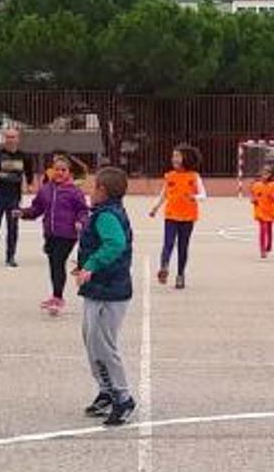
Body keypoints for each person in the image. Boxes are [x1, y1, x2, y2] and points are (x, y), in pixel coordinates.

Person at [75, 166, 137, 426]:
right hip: (99, 288)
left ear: (102, 191)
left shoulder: (107, 216)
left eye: (93, 187)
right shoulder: (102, 213)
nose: (89, 191)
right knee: (91, 340)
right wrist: (84, 265)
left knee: (103, 345)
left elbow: (115, 244)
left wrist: (91, 266)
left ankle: (122, 397)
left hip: (110, 292)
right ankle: (106, 390)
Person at [14, 155, 91, 316]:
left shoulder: (74, 191)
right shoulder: (45, 190)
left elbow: (83, 210)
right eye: (57, 169)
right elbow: (36, 209)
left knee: (57, 262)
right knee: (53, 262)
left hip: (67, 234)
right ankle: (56, 295)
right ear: (51, 171)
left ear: (69, 172)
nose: (60, 173)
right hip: (50, 233)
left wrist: (80, 221)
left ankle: (58, 297)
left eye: (63, 170)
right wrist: (22, 213)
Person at [149, 144, 206, 290]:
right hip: (171, 215)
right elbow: (163, 195)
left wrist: (194, 197)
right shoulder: (170, 176)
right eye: (173, 156)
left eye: (177, 156)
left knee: (183, 247)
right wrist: (155, 208)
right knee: (168, 243)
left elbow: (203, 195)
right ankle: (164, 267)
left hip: (188, 217)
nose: (174, 158)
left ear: (186, 158)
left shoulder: (194, 176)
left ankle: (180, 275)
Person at [0, 128, 34, 267]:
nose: (11, 140)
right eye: (8, 137)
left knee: (13, 226)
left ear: (18, 139)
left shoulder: (24, 156)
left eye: (13, 137)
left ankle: (10, 256)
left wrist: (30, 184)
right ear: (5, 139)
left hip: (14, 196)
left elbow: (29, 171)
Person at [250, 165, 274, 260]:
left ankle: (269, 244)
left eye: (267, 173)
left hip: (270, 210)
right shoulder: (257, 185)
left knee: (269, 228)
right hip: (261, 210)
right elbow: (252, 197)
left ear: (271, 175)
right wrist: (253, 200)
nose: (264, 175)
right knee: (263, 229)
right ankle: (262, 249)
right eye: (263, 173)